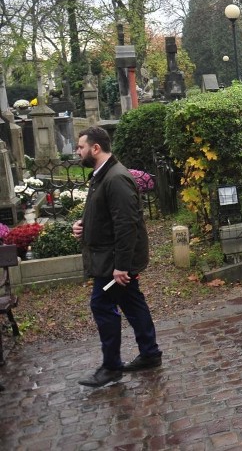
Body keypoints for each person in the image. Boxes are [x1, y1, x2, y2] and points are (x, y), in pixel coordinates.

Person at [72, 126, 162, 388]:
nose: (78, 151)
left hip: (115, 262)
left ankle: (111, 367)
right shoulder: (102, 175)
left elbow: (127, 224)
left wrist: (121, 266)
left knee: (101, 305)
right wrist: (83, 225)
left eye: (81, 147)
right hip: (110, 258)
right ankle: (150, 353)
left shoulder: (115, 178)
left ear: (95, 148)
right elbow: (106, 215)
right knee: (132, 302)